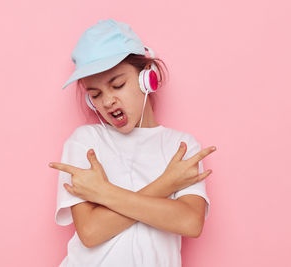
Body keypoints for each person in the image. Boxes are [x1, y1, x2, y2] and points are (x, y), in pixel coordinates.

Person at [49, 19, 217, 267]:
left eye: (117, 85)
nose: (107, 102)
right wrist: (167, 183)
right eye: (95, 94)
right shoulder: (85, 142)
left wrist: (104, 193)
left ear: (147, 78)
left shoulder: (181, 146)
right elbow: (91, 232)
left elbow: (190, 222)